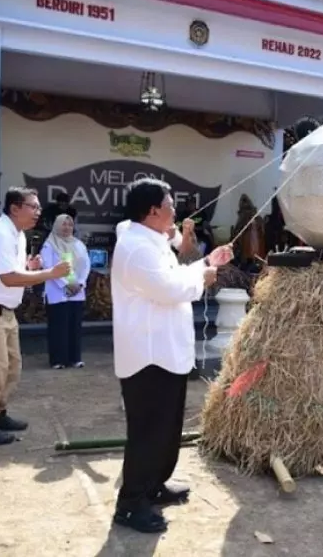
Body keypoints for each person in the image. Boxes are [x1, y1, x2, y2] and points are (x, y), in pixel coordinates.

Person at [111, 178, 234, 534]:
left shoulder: (152, 241)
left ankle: (153, 486)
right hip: (149, 356)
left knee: (166, 428)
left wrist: (208, 262)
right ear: (152, 211)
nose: (175, 210)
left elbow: (173, 275)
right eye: (170, 204)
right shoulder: (137, 247)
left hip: (164, 352)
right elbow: (169, 289)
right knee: (148, 431)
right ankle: (131, 503)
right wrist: (205, 277)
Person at [0, 187, 71, 445]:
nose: (38, 211)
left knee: (11, 367)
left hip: (3, 309)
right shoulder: (0, 233)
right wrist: (49, 274)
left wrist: (29, 268)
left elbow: (13, 271)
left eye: (38, 206)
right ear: (15, 208)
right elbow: (8, 278)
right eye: (33, 206)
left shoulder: (17, 235)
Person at [41, 214, 90, 370]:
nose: (67, 227)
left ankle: (75, 358)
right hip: (57, 292)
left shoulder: (78, 244)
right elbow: (48, 267)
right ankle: (58, 360)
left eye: (69, 224)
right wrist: (65, 285)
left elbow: (85, 265)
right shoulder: (49, 245)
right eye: (64, 224)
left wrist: (80, 283)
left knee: (74, 326)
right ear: (56, 225)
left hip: (77, 291)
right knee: (58, 326)